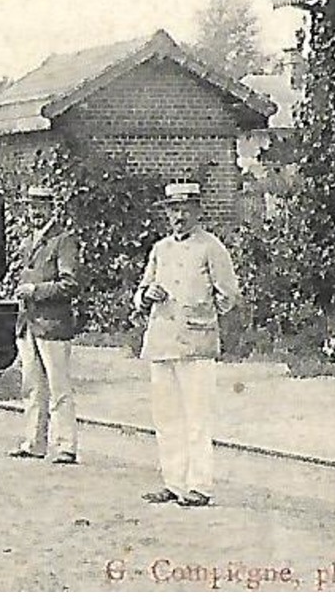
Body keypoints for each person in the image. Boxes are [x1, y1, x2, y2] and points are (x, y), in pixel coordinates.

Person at [134, 181, 241, 508]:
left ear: (197, 211)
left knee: (197, 417)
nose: (179, 216)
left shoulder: (211, 247)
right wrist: (145, 297)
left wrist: (203, 313)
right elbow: (141, 291)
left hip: (195, 345)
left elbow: (230, 294)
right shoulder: (160, 249)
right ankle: (173, 481)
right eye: (173, 210)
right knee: (166, 418)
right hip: (161, 342)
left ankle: (199, 485)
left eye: (185, 209)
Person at [8, 185, 80, 465]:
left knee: (59, 387)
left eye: (41, 206)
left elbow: (70, 284)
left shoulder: (63, 240)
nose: (35, 212)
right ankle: (34, 442)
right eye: (31, 206)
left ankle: (66, 446)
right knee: (33, 386)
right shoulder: (29, 242)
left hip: (52, 325)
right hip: (27, 324)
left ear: (52, 208)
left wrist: (35, 291)